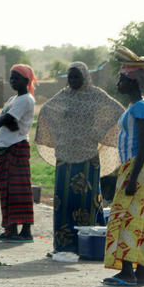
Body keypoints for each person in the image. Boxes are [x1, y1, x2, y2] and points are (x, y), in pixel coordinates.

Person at [35, 62, 124, 255]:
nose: (73, 81)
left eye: (77, 77)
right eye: (70, 77)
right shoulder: (63, 96)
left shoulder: (96, 95)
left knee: (87, 200)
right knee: (63, 201)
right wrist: (59, 135)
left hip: (88, 157)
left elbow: (117, 112)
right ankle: (63, 246)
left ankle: (88, 246)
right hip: (64, 157)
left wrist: (97, 134)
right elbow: (47, 111)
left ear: (85, 77)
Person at [102, 62, 144, 287]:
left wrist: (132, 178)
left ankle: (127, 272)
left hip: (137, 166)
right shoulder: (134, 106)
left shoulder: (140, 108)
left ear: (132, 81)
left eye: (121, 79)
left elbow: (143, 145)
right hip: (132, 165)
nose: (117, 84)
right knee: (138, 219)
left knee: (125, 218)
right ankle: (141, 273)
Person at [0, 64, 37, 242]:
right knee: (7, 190)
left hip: (16, 147)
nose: (12, 81)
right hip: (6, 148)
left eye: (16, 78)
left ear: (26, 81)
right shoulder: (13, 99)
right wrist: (2, 121)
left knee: (20, 191)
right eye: (11, 77)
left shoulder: (26, 99)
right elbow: (5, 121)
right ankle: (10, 229)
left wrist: (1, 121)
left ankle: (25, 231)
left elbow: (8, 120)